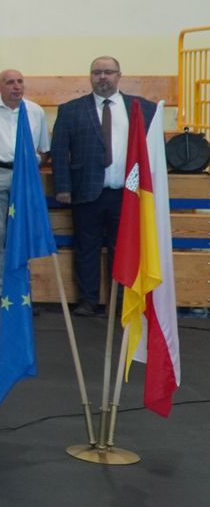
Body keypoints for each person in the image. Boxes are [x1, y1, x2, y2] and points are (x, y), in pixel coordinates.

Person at [51, 56, 156, 318]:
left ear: (119, 75)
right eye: (97, 72)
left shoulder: (143, 108)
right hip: (86, 191)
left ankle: (119, 302)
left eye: (108, 72)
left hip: (128, 193)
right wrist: (63, 187)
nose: (102, 77)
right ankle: (88, 300)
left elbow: (154, 152)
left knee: (124, 249)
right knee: (86, 249)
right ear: (90, 76)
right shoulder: (71, 110)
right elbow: (59, 151)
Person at [0, 69, 51, 312]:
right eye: (10, 82)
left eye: (20, 81)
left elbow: (44, 149)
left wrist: (32, 167)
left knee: (23, 235)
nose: (16, 86)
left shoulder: (35, 111)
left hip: (24, 176)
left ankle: (22, 293)